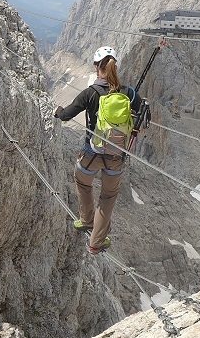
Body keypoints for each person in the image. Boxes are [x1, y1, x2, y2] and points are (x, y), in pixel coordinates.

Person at [54, 46, 144, 254]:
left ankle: (86, 220)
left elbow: (67, 114)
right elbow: (139, 112)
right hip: (116, 156)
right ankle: (96, 243)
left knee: (82, 182)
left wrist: (58, 112)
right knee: (108, 197)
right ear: (114, 66)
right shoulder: (129, 92)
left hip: (92, 153)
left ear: (97, 67)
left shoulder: (90, 93)